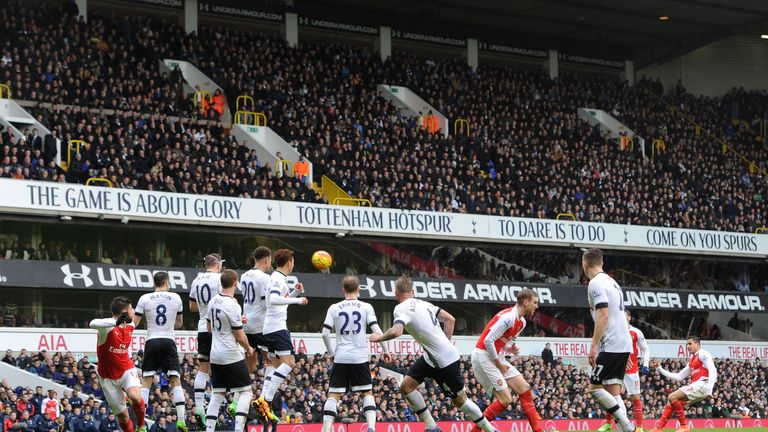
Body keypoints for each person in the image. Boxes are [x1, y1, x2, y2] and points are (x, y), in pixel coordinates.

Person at [371, 276, 498, 432]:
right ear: (413, 291)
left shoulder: (401, 308)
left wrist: (379, 338)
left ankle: (489, 429)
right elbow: (450, 319)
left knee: (460, 401)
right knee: (406, 387)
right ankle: (431, 425)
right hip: (433, 357)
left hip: (445, 361)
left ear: (396, 293)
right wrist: (445, 343)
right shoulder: (425, 304)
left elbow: (397, 331)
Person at [469, 289, 544, 432]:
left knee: (524, 388)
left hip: (495, 356)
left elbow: (502, 342)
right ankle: (474, 431)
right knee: (506, 400)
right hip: (483, 355)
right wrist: (498, 364)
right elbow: (488, 340)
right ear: (526, 302)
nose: (537, 306)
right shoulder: (508, 318)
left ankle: (538, 430)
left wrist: (510, 350)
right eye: (535, 302)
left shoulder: (521, 322)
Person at [321, 275, 389, 432]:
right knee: (367, 392)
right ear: (359, 290)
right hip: (360, 357)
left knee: (333, 395)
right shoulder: (366, 307)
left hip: (341, 356)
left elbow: (325, 333)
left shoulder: (334, 308)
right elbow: (377, 331)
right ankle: (371, 427)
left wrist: (331, 353)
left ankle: (325, 429)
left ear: (343, 289)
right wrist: (386, 351)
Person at [582, 249, 636, 432]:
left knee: (595, 389)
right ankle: (624, 429)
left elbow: (603, 315)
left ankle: (628, 427)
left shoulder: (595, 283)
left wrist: (594, 346)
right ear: (602, 263)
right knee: (613, 393)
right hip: (622, 342)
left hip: (612, 343)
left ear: (584, 264)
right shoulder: (612, 282)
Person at [254, 249, 308, 422]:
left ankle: (264, 399)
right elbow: (275, 299)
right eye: (293, 260)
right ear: (289, 262)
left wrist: (294, 293)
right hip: (277, 328)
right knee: (290, 363)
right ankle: (265, 399)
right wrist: (298, 300)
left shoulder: (277, 278)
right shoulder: (277, 278)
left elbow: (278, 301)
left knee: (275, 365)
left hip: (270, 328)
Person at [133, 272, 186, 432]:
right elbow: (179, 323)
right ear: (166, 282)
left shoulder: (144, 298)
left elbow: (134, 324)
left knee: (147, 380)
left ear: (154, 283)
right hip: (169, 340)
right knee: (175, 379)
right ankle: (182, 420)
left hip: (152, 340)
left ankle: (141, 425)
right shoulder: (176, 298)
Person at [205, 269, 254, 432]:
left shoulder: (213, 301)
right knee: (246, 392)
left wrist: (236, 321)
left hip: (215, 354)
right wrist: (248, 348)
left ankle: (209, 429)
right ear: (235, 283)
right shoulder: (233, 304)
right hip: (230, 354)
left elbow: (209, 327)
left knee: (217, 394)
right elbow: (239, 336)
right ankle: (239, 429)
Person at [88, 296, 146, 432]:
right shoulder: (107, 327)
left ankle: (142, 426)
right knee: (124, 418)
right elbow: (92, 323)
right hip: (108, 377)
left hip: (126, 369)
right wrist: (115, 323)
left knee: (135, 397)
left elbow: (138, 317)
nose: (134, 311)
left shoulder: (130, 325)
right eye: (132, 308)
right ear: (125, 311)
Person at [238, 247, 279, 416]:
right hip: (261, 325)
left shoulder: (245, 275)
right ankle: (263, 399)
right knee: (272, 362)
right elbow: (265, 304)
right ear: (266, 260)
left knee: (250, 364)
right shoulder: (265, 278)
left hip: (247, 323)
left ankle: (238, 399)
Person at [650, 335, 718, 432]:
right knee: (671, 401)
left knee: (672, 396)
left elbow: (712, 370)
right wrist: (660, 369)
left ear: (697, 344)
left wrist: (709, 390)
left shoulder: (703, 354)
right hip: (697, 387)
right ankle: (659, 428)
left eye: (690, 344)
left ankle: (684, 426)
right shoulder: (692, 361)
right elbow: (679, 377)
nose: (688, 346)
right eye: (687, 344)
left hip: (703, 385)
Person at [601, 310, 650, 432]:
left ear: (629, 318)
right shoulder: (614, 331)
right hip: (616, 367)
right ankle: (608, 424)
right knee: (610, 395)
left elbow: (645, 349)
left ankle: (639, 427)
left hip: (631, 369)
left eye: (624, 316)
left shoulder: (636, 332)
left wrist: (645, 363)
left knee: (635, 397)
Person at [189, 254, 224, 421]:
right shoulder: (220, 279)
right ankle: (215, 409)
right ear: (217, 265)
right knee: (221, 368)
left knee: (203, 369)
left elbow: (192, 307)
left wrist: (204, 307)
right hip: (219, 329)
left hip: (202, 327)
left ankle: (199, 407)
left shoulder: (196, 280)